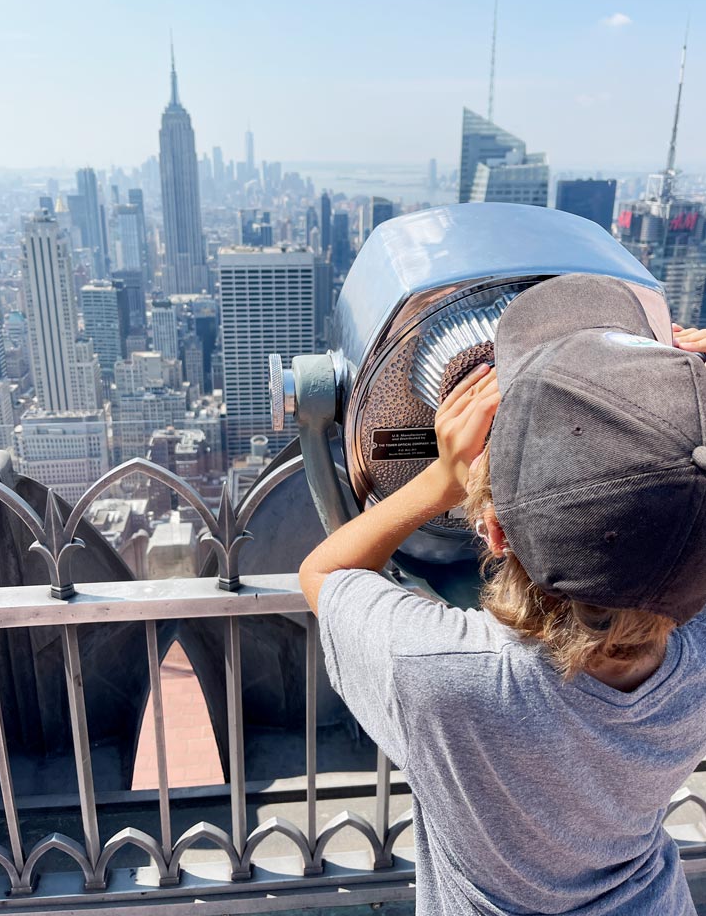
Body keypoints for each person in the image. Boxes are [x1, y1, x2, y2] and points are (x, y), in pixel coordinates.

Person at [299, 273, 706, 916]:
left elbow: (325, 575)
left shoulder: (442, 675)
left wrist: (439, 479)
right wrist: (677, 425)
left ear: (490, 530)